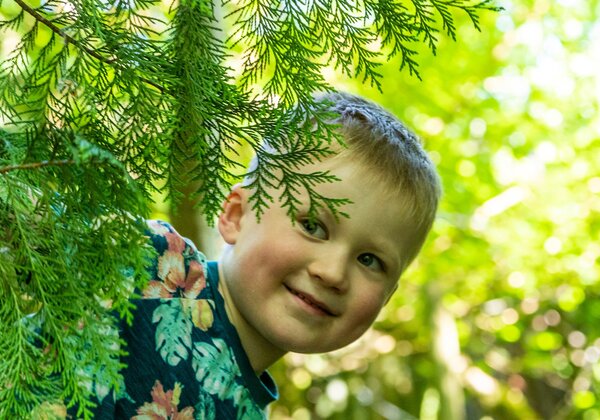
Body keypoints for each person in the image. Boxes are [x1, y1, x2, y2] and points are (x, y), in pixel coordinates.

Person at [79, 91, 442, 418]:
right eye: (312, 225)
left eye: (370, 260)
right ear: (236, 216)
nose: (333, 273)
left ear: (387, 297)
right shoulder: (150, 262)